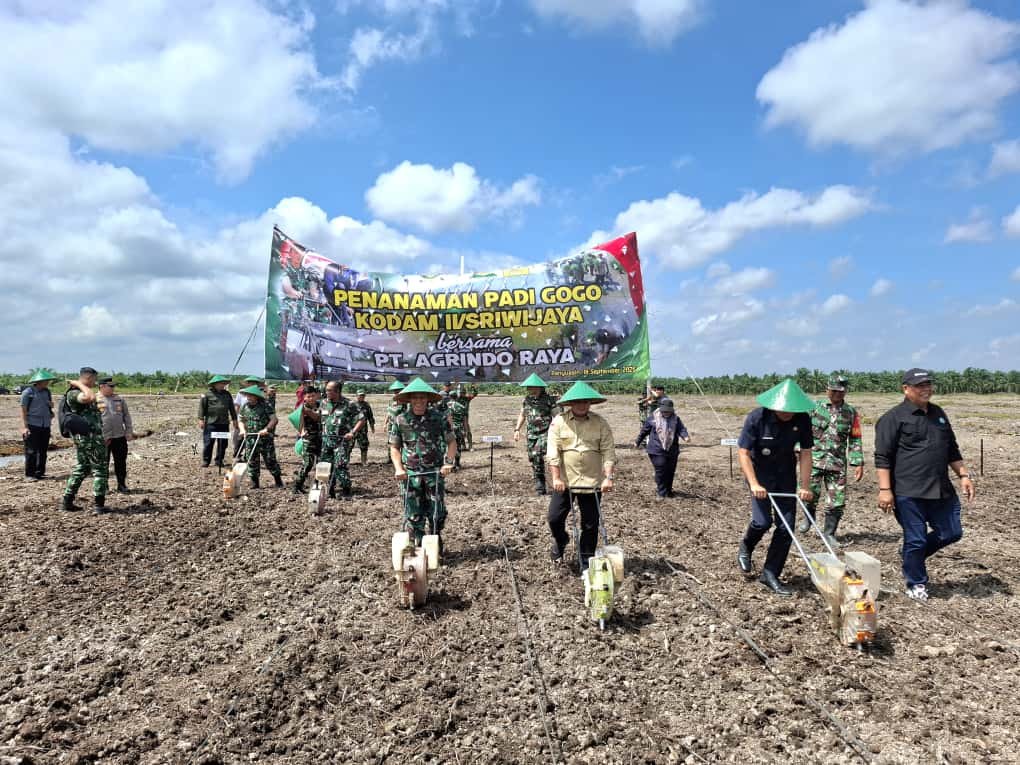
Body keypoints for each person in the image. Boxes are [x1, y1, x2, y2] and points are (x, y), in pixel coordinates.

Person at [875, 368, 975, 601]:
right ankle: (916, 582)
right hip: (908, 491)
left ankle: (911, 555)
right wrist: (885, 489)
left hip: (941, 488)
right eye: (919, 385)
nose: (925, 389)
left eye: (928, 384)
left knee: (952, 532)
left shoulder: (938, 413)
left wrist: (964, 475)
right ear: (906, 389)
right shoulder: (893, 418)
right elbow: (882, 457)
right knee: (917, 538)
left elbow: (951, 448)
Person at [736, 379, 815, 597]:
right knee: (762, 522)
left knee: (786, 528)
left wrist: (805, 485)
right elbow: (743, 452)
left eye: (793, 409)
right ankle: (746, 547)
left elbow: (806, 453)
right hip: (759, 475)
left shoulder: (802, 419)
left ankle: (770, 573)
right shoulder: (757, 418)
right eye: (785, 409)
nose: (789, 413)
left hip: (785, 477)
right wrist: (753, 483)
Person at [545, 381, 615, 567]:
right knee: (554, 518)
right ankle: (561, 541)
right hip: (566, 482)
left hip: (592, 482)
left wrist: (608, 477)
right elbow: (553, 451)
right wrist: (556, 477)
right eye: (577, 402)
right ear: (570, 403)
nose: (582, 405)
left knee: (590, 524)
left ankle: (586, 558)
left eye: (585, 401)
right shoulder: (559, 421)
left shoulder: (600, 423)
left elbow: (608, 451)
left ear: (590, 403)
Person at [389, 378, 457, 547]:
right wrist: (398, 468)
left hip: (434, 473)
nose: (419, 401)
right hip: (410, 475)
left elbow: (451, 442)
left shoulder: (438, 418)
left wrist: (448, 463)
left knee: (437, 512)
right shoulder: (401, 420)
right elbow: (394, 447)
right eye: (415, 398)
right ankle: (417, 546)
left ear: (428, 399)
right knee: (413, 513)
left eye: (422, 398)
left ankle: (435, 540)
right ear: (409, 400)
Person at [798, 374, 864, 546]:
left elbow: (855, 437)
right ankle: (808, 518)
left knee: (837, 500)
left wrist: (857, 462)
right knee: (808, 494)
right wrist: (796, 450)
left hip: (837, 464)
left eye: (841, 391)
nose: (837, 394)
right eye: (834, 391)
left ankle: (829, 533)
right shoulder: (813, 407)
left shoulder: (851, 413)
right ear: (827, 390)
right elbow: (801, 430)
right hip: (813, 461)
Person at [61, 367, 110, 513]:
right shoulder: (74, 393)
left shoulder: (80, 391)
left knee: (83, 467)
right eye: (94, 379)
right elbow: (89, 397)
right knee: (100, 468)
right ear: (88, 377)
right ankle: (99, 505)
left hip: (89, 436)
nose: (95, 383)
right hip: (89, 437)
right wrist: (79, 384)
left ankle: (67, 501)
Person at [634, 397, 690, 498]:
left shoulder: (676, 419)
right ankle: (661, 493)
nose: (666, 413)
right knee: (661, 470)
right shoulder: (652, 418)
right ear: (660, 409)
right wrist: (637, 442)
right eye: (664, 411)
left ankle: (668, 491)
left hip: (672, 450)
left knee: (670, 471)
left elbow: (681, 429)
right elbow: (644, 431)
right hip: (656, 450)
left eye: (669, 411)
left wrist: (685, 436)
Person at [320, 380, 365, 499]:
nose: (326, 392)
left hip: (341, 441)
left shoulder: (349, 404)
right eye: (326, 390)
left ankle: (346, 488)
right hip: (326, 441)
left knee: (340, 465)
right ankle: (329, 490)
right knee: (325, 466)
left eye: (329, 390)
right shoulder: (323, 403)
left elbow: (362, 419)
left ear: (338, 391)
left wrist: (352, 432)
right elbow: (319, 417)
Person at [513, 373, 557, 495]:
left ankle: (556, 479)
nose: (528, 389)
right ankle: (540, 484)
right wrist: (517, 430)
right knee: (534, 457)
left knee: (541, 453)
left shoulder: (549, 399)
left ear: (538, 387)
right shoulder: (526, 400)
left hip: (546, 432)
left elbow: (557, 416)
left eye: (530, 386)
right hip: (531, 434)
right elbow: (522, 415)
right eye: (528, 387)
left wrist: (557, 429)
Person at [237, 385, 284, 488]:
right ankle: (255, 482)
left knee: (270, 460)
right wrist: (242, 430)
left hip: (265, 438)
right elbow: (240, 420)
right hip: (250, 438)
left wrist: (266, 429)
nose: (248, 397)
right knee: (251, 460)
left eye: (250, 395)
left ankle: (278, 480)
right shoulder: (245, 406)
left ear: (256, 396)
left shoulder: (265, 405)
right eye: (247, 395)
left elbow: (274, 419)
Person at [98, 377, 134, 494]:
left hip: (119, 436)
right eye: (111, 386)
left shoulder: (119, 399)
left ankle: (121, 484)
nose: (113, 388)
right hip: (103, 437)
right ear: (102, 386)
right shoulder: (94, 399)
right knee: (103, 463)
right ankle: (104, 486)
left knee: (121, 462)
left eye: (114, 386)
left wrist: (128, 431)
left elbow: (126, 416)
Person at [20, 369, 57, 481]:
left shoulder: (47, 392)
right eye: (46, 380)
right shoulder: (28, 393)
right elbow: (23, 410)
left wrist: (51, 408)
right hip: (32, 424)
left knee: (43, 450)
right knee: (31, 451)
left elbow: (50, 406)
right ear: (39, 381)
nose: (48, 382)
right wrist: (24, 427)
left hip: (45, 424)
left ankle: (40, 472)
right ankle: (30, 474)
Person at [199, 375, 238, 468]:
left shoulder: (227, 394)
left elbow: (232, 408)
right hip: (211, 423)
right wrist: (200, 419)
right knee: (208, 443)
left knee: (223, 443)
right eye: (221, 383)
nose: (223, 385)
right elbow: (201, 408)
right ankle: (206, 460)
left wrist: (234, 419)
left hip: (224, 423)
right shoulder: (207, 394)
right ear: (214, 384)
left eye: (223, 383)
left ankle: (219, 460)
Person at [293, 385, 322, 495]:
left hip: (322, 439)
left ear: (316, 396)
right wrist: (302, 431)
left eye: (313, 396)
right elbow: (296, 421)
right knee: (308, 464)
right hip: (308, 440)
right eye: (308, 396)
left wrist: (308, 412)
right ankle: (297, 485)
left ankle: (318, 486)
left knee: (321, 464)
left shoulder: (321, 405)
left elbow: (319, 418)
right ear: (304, 397)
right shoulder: (301, 408)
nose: (311, 398)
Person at [353, 389, 375, 465]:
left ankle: (364, 461)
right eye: (360, 395)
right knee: (348, 445)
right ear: (356, 396)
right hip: (353, 429)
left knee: (364, 445)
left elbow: (370, 417)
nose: (361, 397)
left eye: (363, 395)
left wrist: (372, 427)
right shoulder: (352, 405)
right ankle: (346, 461)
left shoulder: (366, 405)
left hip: (363, 430)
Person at [449, 394, 468, 470]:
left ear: (450, 397)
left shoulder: (445, 406)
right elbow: (465, 420)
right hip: (458, 428)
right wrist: (466, 430)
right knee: (458, 446)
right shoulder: (462, 407)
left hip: (448, 429)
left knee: (449, 446)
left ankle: (449, 464)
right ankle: (457, 464)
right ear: (456, 397)